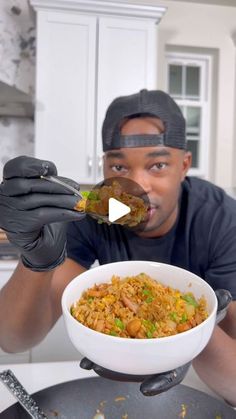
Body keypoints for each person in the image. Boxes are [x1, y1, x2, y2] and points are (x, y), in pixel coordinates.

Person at [0, 89, 236, 405]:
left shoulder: (220, 220)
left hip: (205, 385)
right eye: (120, 168)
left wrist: (192, 337)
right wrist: (35, 260)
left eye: (158, 165)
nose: (138, 188)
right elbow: (13, 340)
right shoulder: (101, 211)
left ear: (184, 165)